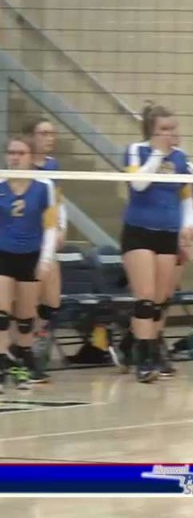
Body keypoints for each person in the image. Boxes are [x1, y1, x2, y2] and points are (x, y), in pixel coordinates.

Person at [121, 103, 193, 383]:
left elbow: (189, 198)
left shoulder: (181, 159)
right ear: (151, 132)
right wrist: (157, 154)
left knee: (160, 300)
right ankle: (144, 358)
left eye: (173, 128)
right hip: (139, 231)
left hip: (168, 233)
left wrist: (188, 225)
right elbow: (138, 184)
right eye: (164, 129)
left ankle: (140, 345)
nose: (170, 133)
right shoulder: (136, 150)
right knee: (145, 296)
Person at [0, 135, 58, 392]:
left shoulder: (44, 186)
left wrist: (45, 259)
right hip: (3, 253)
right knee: (1, 315)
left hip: (31, 256)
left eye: (20, 153)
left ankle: (21, 362)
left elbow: (51, 227)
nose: (14, 157)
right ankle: (1, 364)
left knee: (25, 319)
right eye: (11, 152)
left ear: (31, 157)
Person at [26, 117, 65, 383]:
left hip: (46, 239)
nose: (50, 138)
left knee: (51, 302)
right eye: (44, 133)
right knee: (25, 303)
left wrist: (60, 226)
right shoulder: (19, 165)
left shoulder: (53, 165)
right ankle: (23, 352)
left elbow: (57, 201)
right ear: (31, 136)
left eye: (52, 133)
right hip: (23, 241)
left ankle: (30, 345)